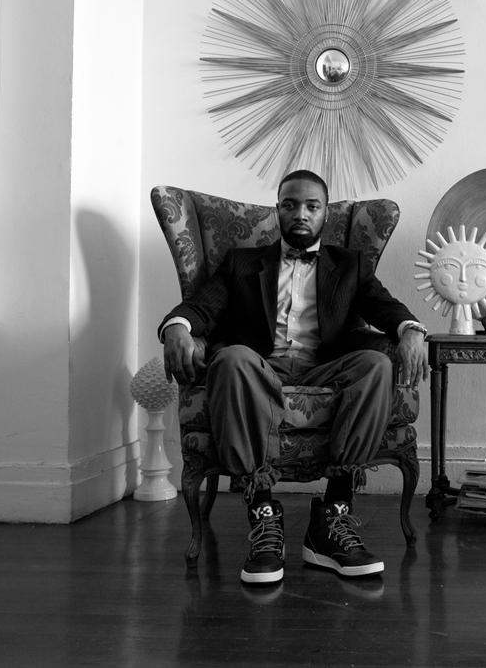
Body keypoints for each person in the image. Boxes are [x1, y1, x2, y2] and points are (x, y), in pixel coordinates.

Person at [159, 169, 429, 586]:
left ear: (325, 214)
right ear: (278, 211)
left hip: (325, 366)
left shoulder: (350, 265)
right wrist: (177, 325)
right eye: (290, 204)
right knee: (230, 358)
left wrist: (411, 331)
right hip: (260, 367)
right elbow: (202, 306)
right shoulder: (242, 262)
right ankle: (262, 512)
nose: (300, 213)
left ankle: (333, 517)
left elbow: (385, 307)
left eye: (311, 206)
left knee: (376, 365)